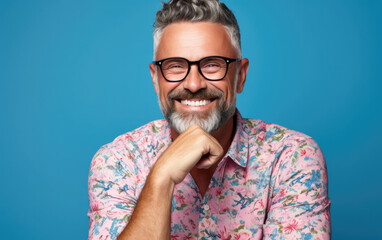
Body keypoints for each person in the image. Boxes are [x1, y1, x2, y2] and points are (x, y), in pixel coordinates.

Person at [87, 0, 331, 239]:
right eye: (175, 66)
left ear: (240, 76)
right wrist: (161, 178)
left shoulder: (291, 157)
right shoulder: (119, 161)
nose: (194, 84)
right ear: (155, 78)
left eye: (213, 65)